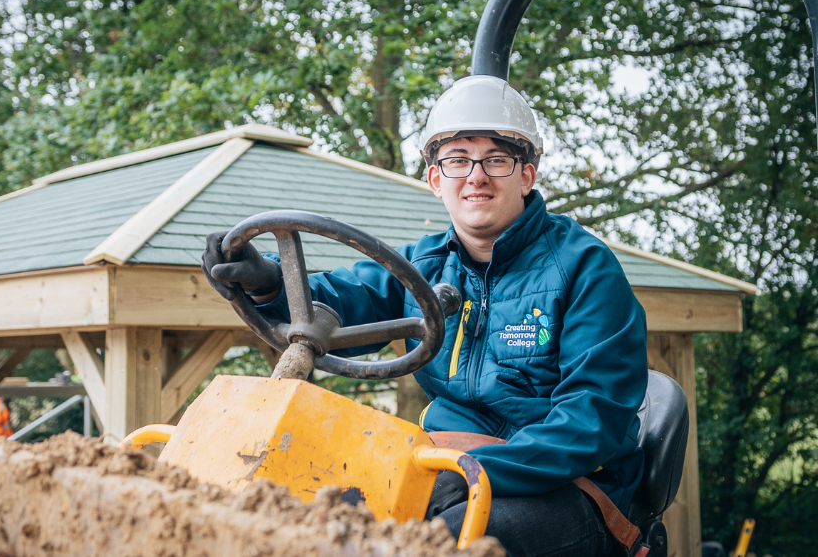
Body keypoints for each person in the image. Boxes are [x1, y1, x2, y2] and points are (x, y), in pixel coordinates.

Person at [202, 75, 648, 557]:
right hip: (449, 461)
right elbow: (339, 302)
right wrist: (268, 282)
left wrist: (478, 473)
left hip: (574, 487)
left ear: (527, 175)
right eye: (457, 160)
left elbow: (589, 421)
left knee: (438, 540)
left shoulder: (584, 268)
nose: (476, 176)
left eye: (496, 159)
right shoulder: (424, 265)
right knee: (321, 507)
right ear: (436, 179)